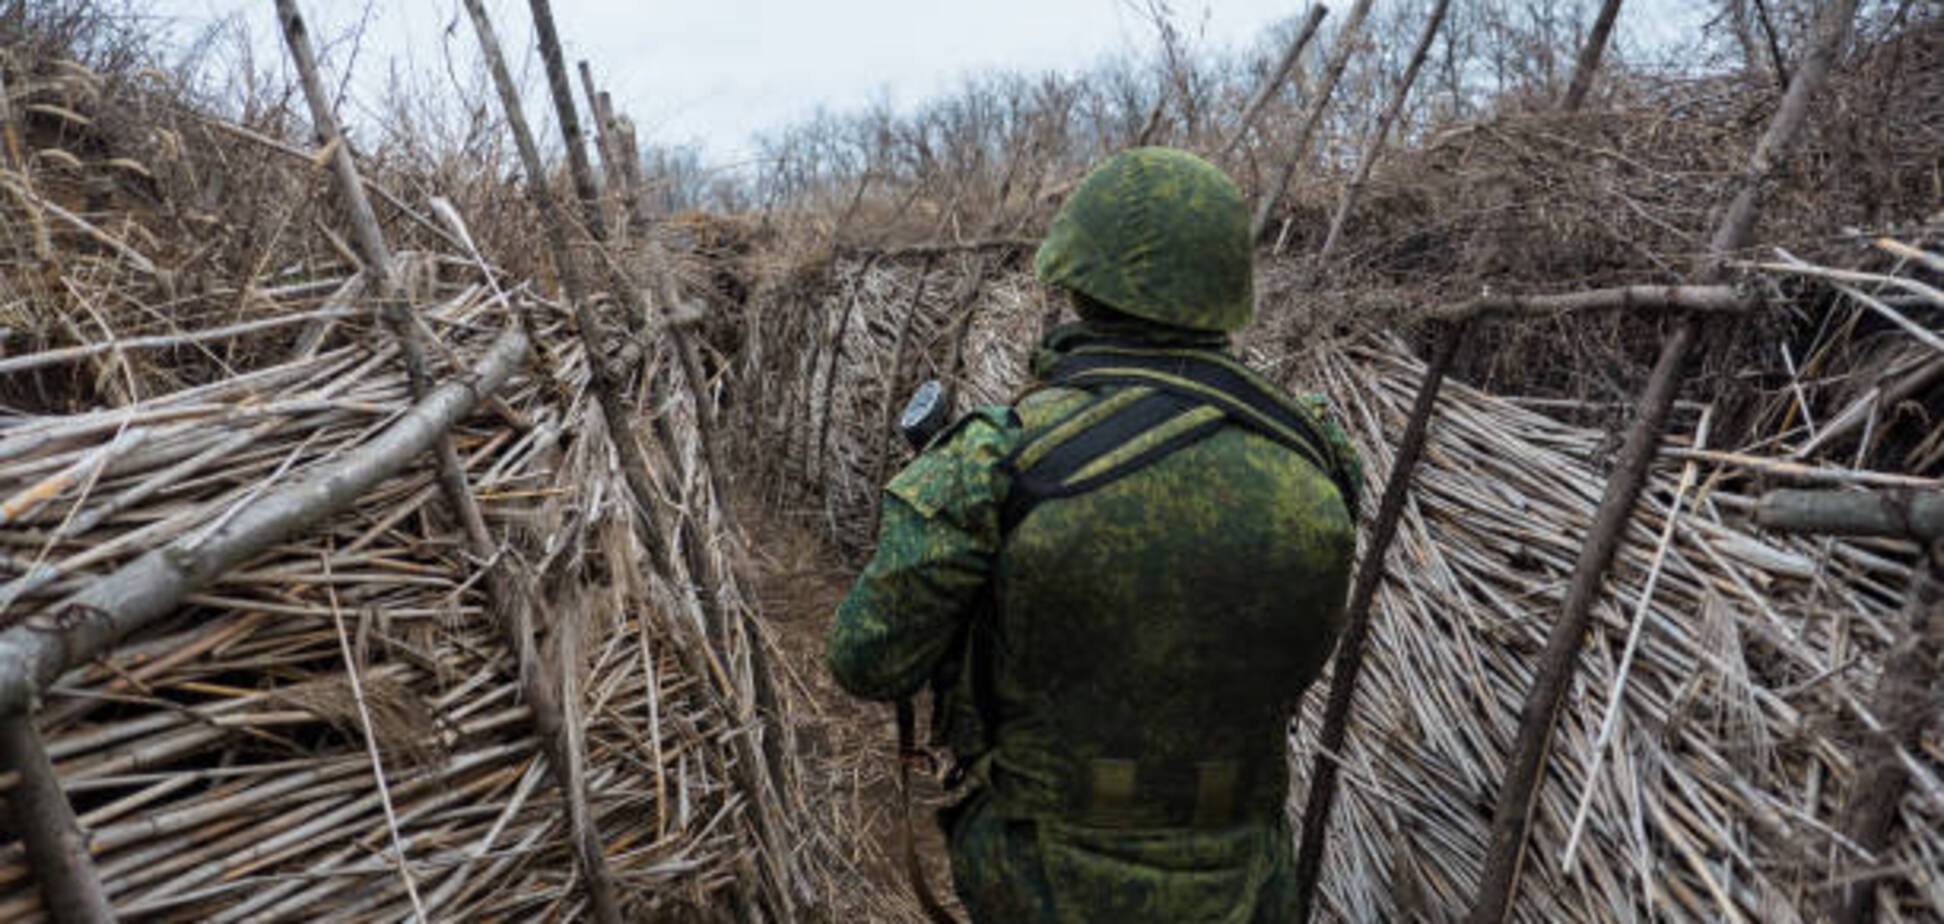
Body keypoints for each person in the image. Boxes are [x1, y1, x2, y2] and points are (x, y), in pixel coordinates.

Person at [825, 147, 1362, 923]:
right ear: (1226, 289)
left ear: (1077, 285)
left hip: (1045, 879)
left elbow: (866, 660)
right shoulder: (1315, 453)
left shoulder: (992, 459)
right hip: (1246, 879)